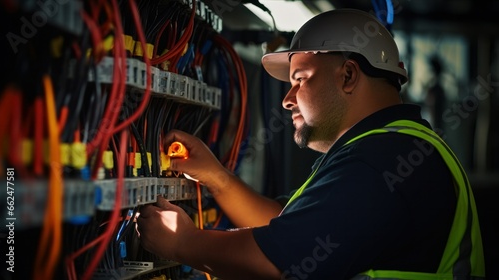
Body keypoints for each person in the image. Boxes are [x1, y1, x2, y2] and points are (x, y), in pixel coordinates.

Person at [136, 9, 485, 279]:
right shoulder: (393, 147)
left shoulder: (384, 161)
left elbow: (281, 262)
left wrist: (182, 243)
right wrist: (217, 177)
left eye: (300, 79)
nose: (287, 99)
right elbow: (288, 227)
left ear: (348, 76)